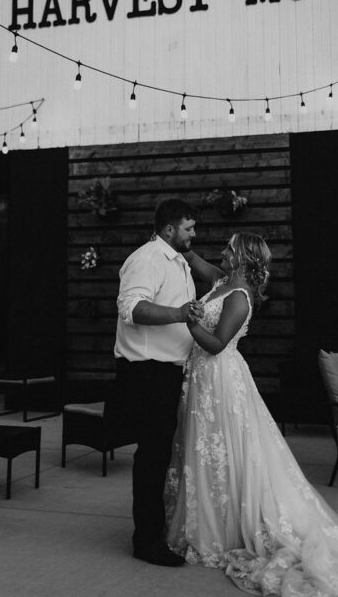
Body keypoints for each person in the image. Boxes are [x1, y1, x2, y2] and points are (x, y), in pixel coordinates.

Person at [165, 232, 338, 597]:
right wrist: (177, 241)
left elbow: (215, 345)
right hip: (200, 380)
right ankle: (211, 521)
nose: (223, 253)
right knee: (206, 451)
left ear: (243, 258)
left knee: (227, 449)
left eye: (229, 249)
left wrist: (188, 320)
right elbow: (196, 261)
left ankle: (227, 529)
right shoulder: (221, 281)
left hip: (219, 378)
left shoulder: (239, 298)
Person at [115, 196, 209, 567]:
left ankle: (156, 531)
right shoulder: (147, 259)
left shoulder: (177, 261)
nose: (194, 234)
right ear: (169, 229)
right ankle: (146, 542)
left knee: (159, 456)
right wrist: (179, 313)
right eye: (189, 228)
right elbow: (131, 308)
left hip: (167, 372)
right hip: (148, 373)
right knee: (151, 457)